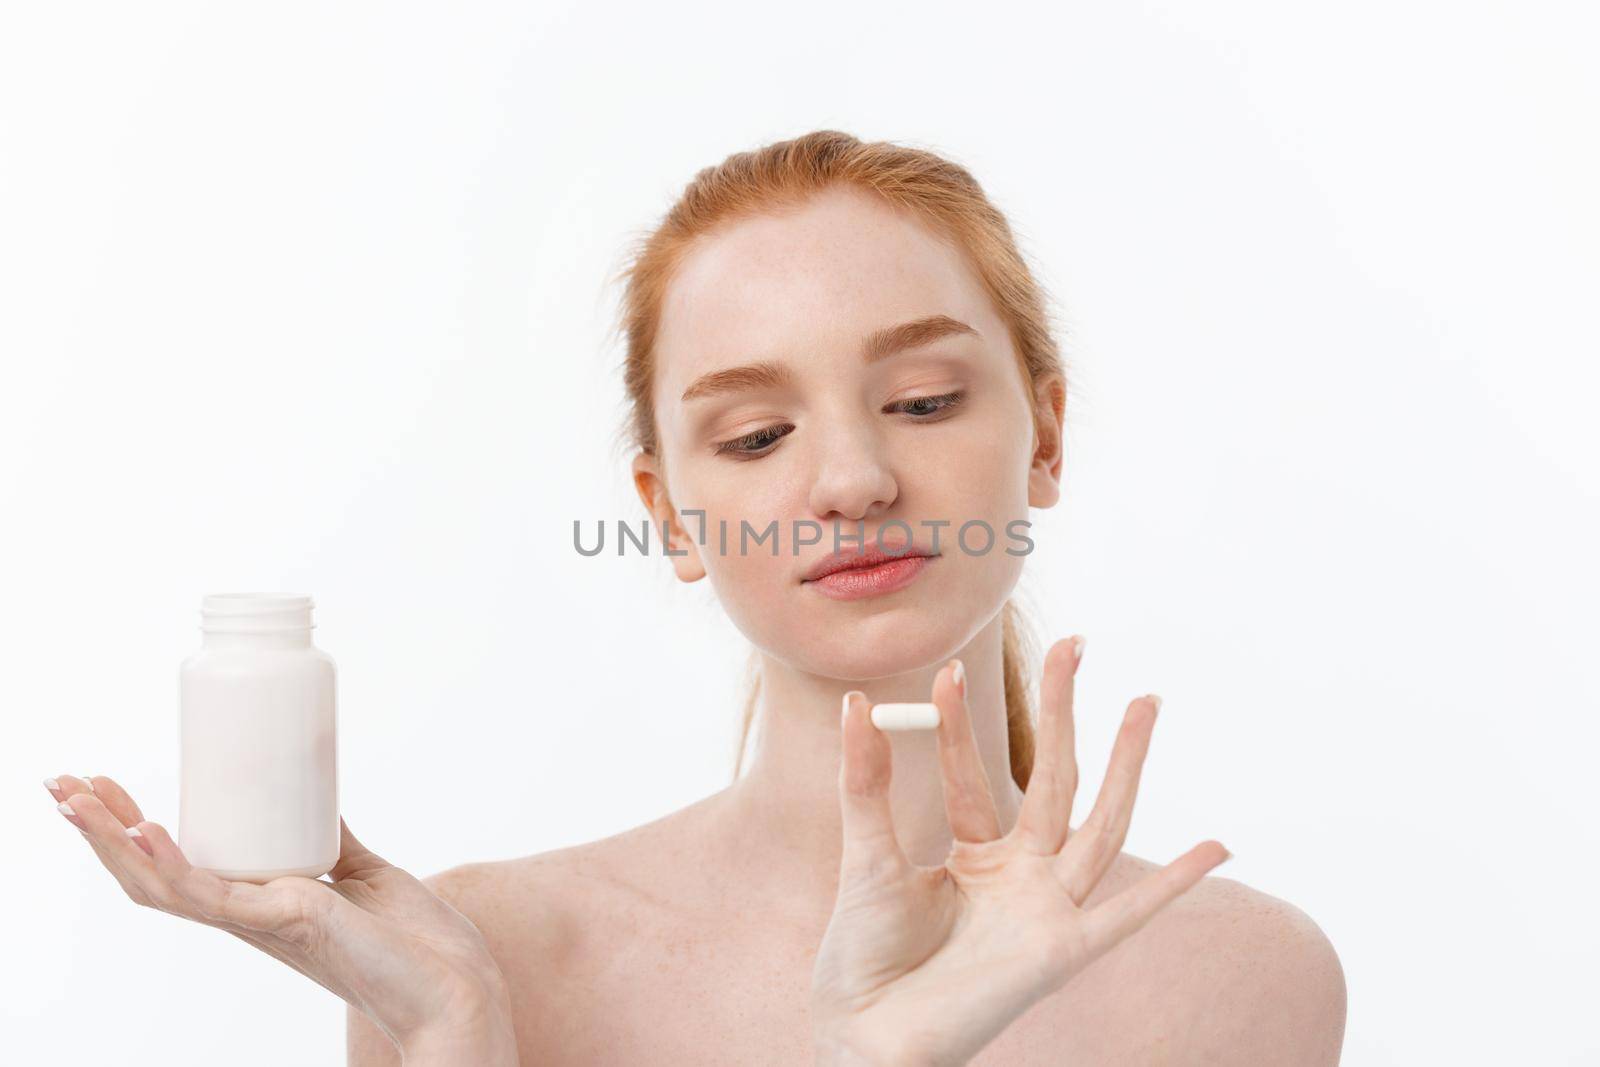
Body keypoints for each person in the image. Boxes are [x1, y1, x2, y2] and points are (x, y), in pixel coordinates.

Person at [45, 130, 1347, 1064]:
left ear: (1046, 438)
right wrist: (456, 1035)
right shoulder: (491, 956)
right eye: (757, 437)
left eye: (924, 403)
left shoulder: (1240, 981)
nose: (853, 477)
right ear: (668, 513)